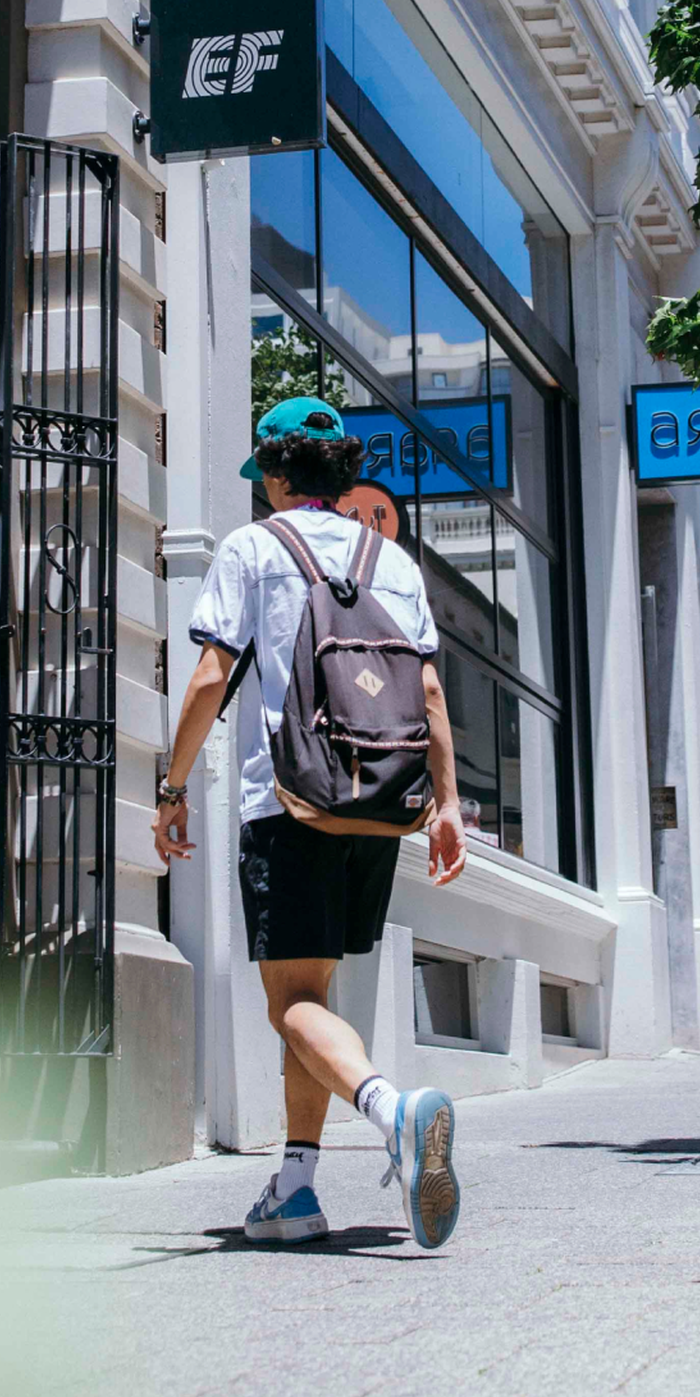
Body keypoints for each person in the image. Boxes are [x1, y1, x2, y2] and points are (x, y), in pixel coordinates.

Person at [153, 394, 468, 1251]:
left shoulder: (254, 548)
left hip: (289, 801)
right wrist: (445, 805)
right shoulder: (392, 561)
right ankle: (294, 1190)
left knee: (290, 1003)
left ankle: (390, 1110)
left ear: (280, 474)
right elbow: (431, 692)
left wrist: (170, 785)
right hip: (377, 806)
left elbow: (211, 680)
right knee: (314, 998)